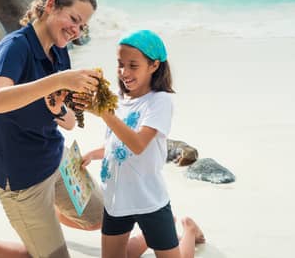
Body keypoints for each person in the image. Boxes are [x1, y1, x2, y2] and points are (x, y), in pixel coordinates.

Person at [0, 0, 157, 258]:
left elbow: (65, 121)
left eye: (82, 26)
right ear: (51, 5)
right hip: (22, 179)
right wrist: (60, 80)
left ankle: (46, 222)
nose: (76, 30)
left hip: (57, 159)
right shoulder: (16, 48)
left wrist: (75, 106)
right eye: (74, 19)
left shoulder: (59, 51)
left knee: (103, 219)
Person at [80, 30, 205, 258]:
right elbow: (117, 144)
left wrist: (105, 115)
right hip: (116, 201)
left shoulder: (160, 101)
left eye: (133, 65)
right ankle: (151, 237)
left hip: (149, 202)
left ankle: (188, 230)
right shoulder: (119, 99)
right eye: (120, 64)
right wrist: (93, 154)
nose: (124, 72)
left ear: (154, 66)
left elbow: (138, 145)